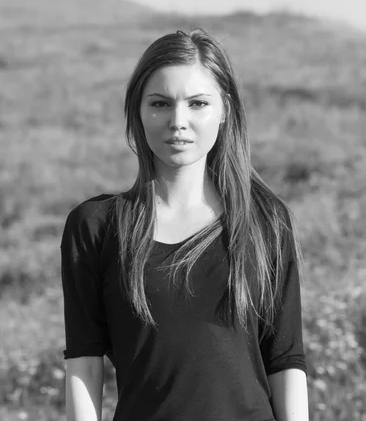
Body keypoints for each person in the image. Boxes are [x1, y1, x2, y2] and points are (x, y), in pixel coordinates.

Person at [60, 28, 309, 421]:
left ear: (224, 109)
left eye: (197, 103)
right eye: (160, 103)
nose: (178, 121)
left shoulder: (265, 220)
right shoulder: (95, 226)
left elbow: (285, 359)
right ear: (137, 111)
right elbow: (83, 363)